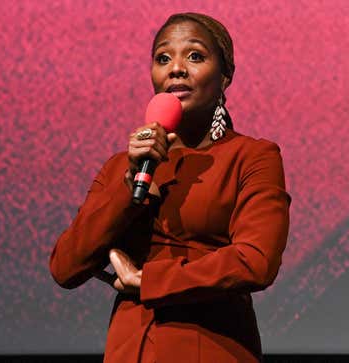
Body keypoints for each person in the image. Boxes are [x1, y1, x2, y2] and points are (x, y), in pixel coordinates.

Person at [49, 12, 290, 363]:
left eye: (195, 56)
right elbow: (65, 267)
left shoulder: (252, 156)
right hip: (130, 349)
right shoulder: (125, 165)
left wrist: (149, 280)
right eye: (163, 58)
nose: (176, 68)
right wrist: (128, 191)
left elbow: (256, 260)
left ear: (225, 76)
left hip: (211, 347)